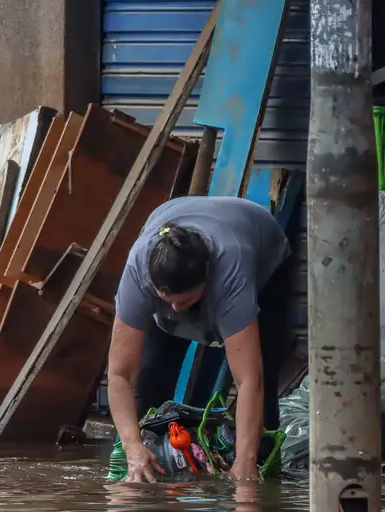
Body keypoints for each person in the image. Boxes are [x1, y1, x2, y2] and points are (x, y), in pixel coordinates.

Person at [107, 195, 295, 484]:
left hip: (260, 245)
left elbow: (248, 381)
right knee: (151, 372)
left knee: (264, 373)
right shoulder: (138, 274)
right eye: (167, 301)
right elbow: (120, 374)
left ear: (207, 279)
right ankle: (148, 464)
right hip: (176, 232)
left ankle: (258, 467)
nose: (176, 310)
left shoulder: (231, 275)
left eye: (185, 301)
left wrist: (245, 467)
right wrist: (133, 448)